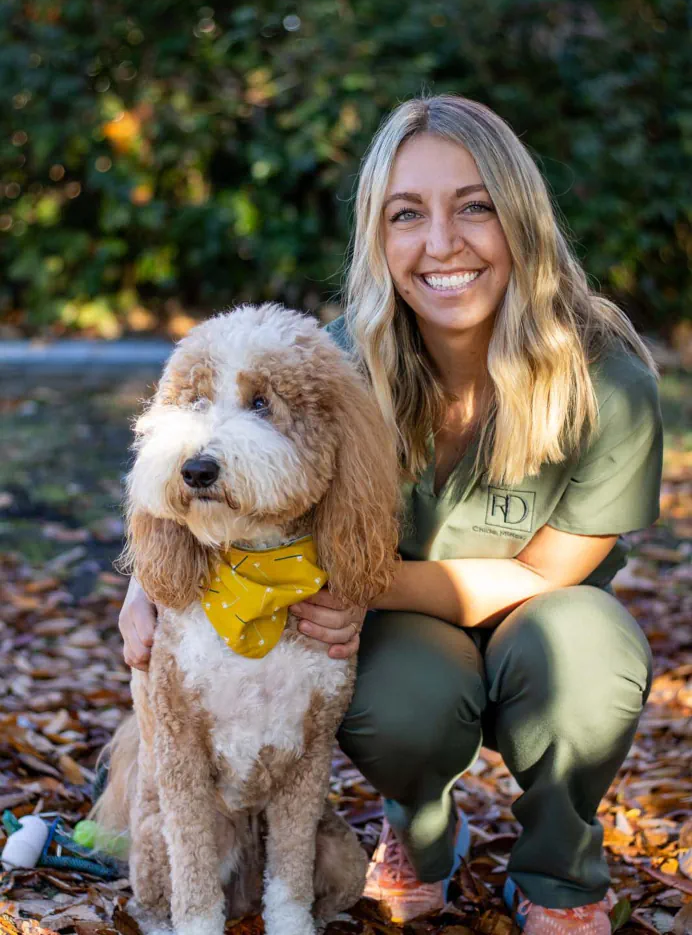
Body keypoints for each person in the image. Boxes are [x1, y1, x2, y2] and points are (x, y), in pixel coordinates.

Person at [118, 95, 662, 935]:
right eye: (408, 214)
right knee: (385, 692)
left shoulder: (608, 380)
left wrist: (364, 589)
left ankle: (559, 867)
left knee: (586, 653)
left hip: (539, 615)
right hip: (405, 632)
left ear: (521, 214)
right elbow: (217, 467)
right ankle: (423, 829)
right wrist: (149, 585)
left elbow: (548, 571)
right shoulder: (331, 366)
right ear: (378, 236)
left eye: (474, 205)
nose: (441, 242)